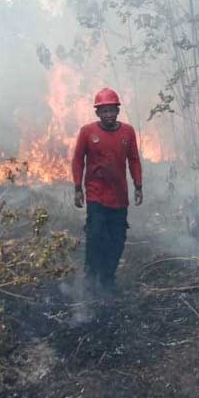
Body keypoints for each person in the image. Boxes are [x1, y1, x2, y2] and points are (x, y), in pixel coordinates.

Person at [71, 88, 143, 291]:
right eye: (104, 111)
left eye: (112, 110)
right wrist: (78, 188)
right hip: (96, 194)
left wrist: (138, 186)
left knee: (118, 239)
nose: (109, 115)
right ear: (97, 113)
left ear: (118, 111)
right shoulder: (87, 132)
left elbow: (134, 160)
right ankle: (90, 274)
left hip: (119, 197)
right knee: (95, 234)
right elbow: (78, 160)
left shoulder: (127, 132)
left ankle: (108, 277)